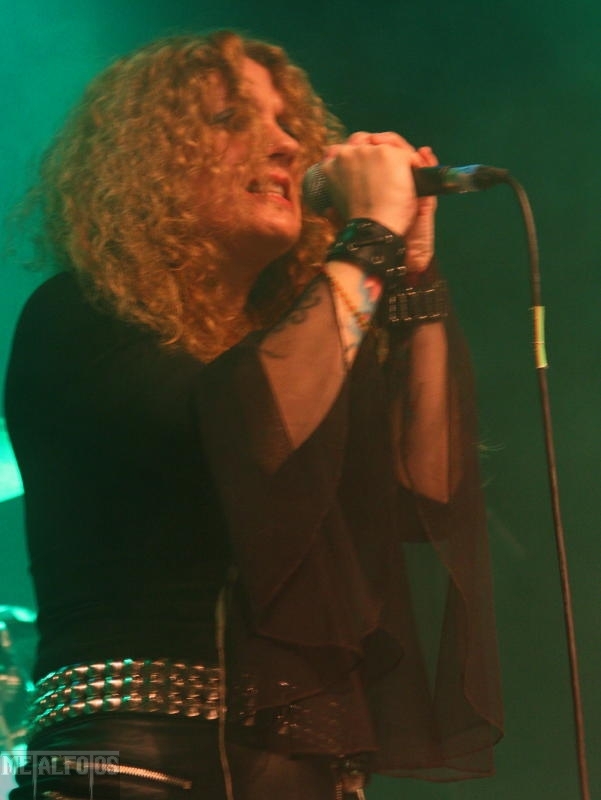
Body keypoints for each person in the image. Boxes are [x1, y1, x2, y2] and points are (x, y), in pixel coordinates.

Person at [4, 30, 503, 799]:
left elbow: (425, 487)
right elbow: (253, 433)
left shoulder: (301, 350)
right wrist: (368, 237)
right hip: (126, 765)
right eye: (230, 119)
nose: (287, 146)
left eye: (287, 124)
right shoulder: (78, 316)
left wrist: (411, 275)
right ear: (150, 161)